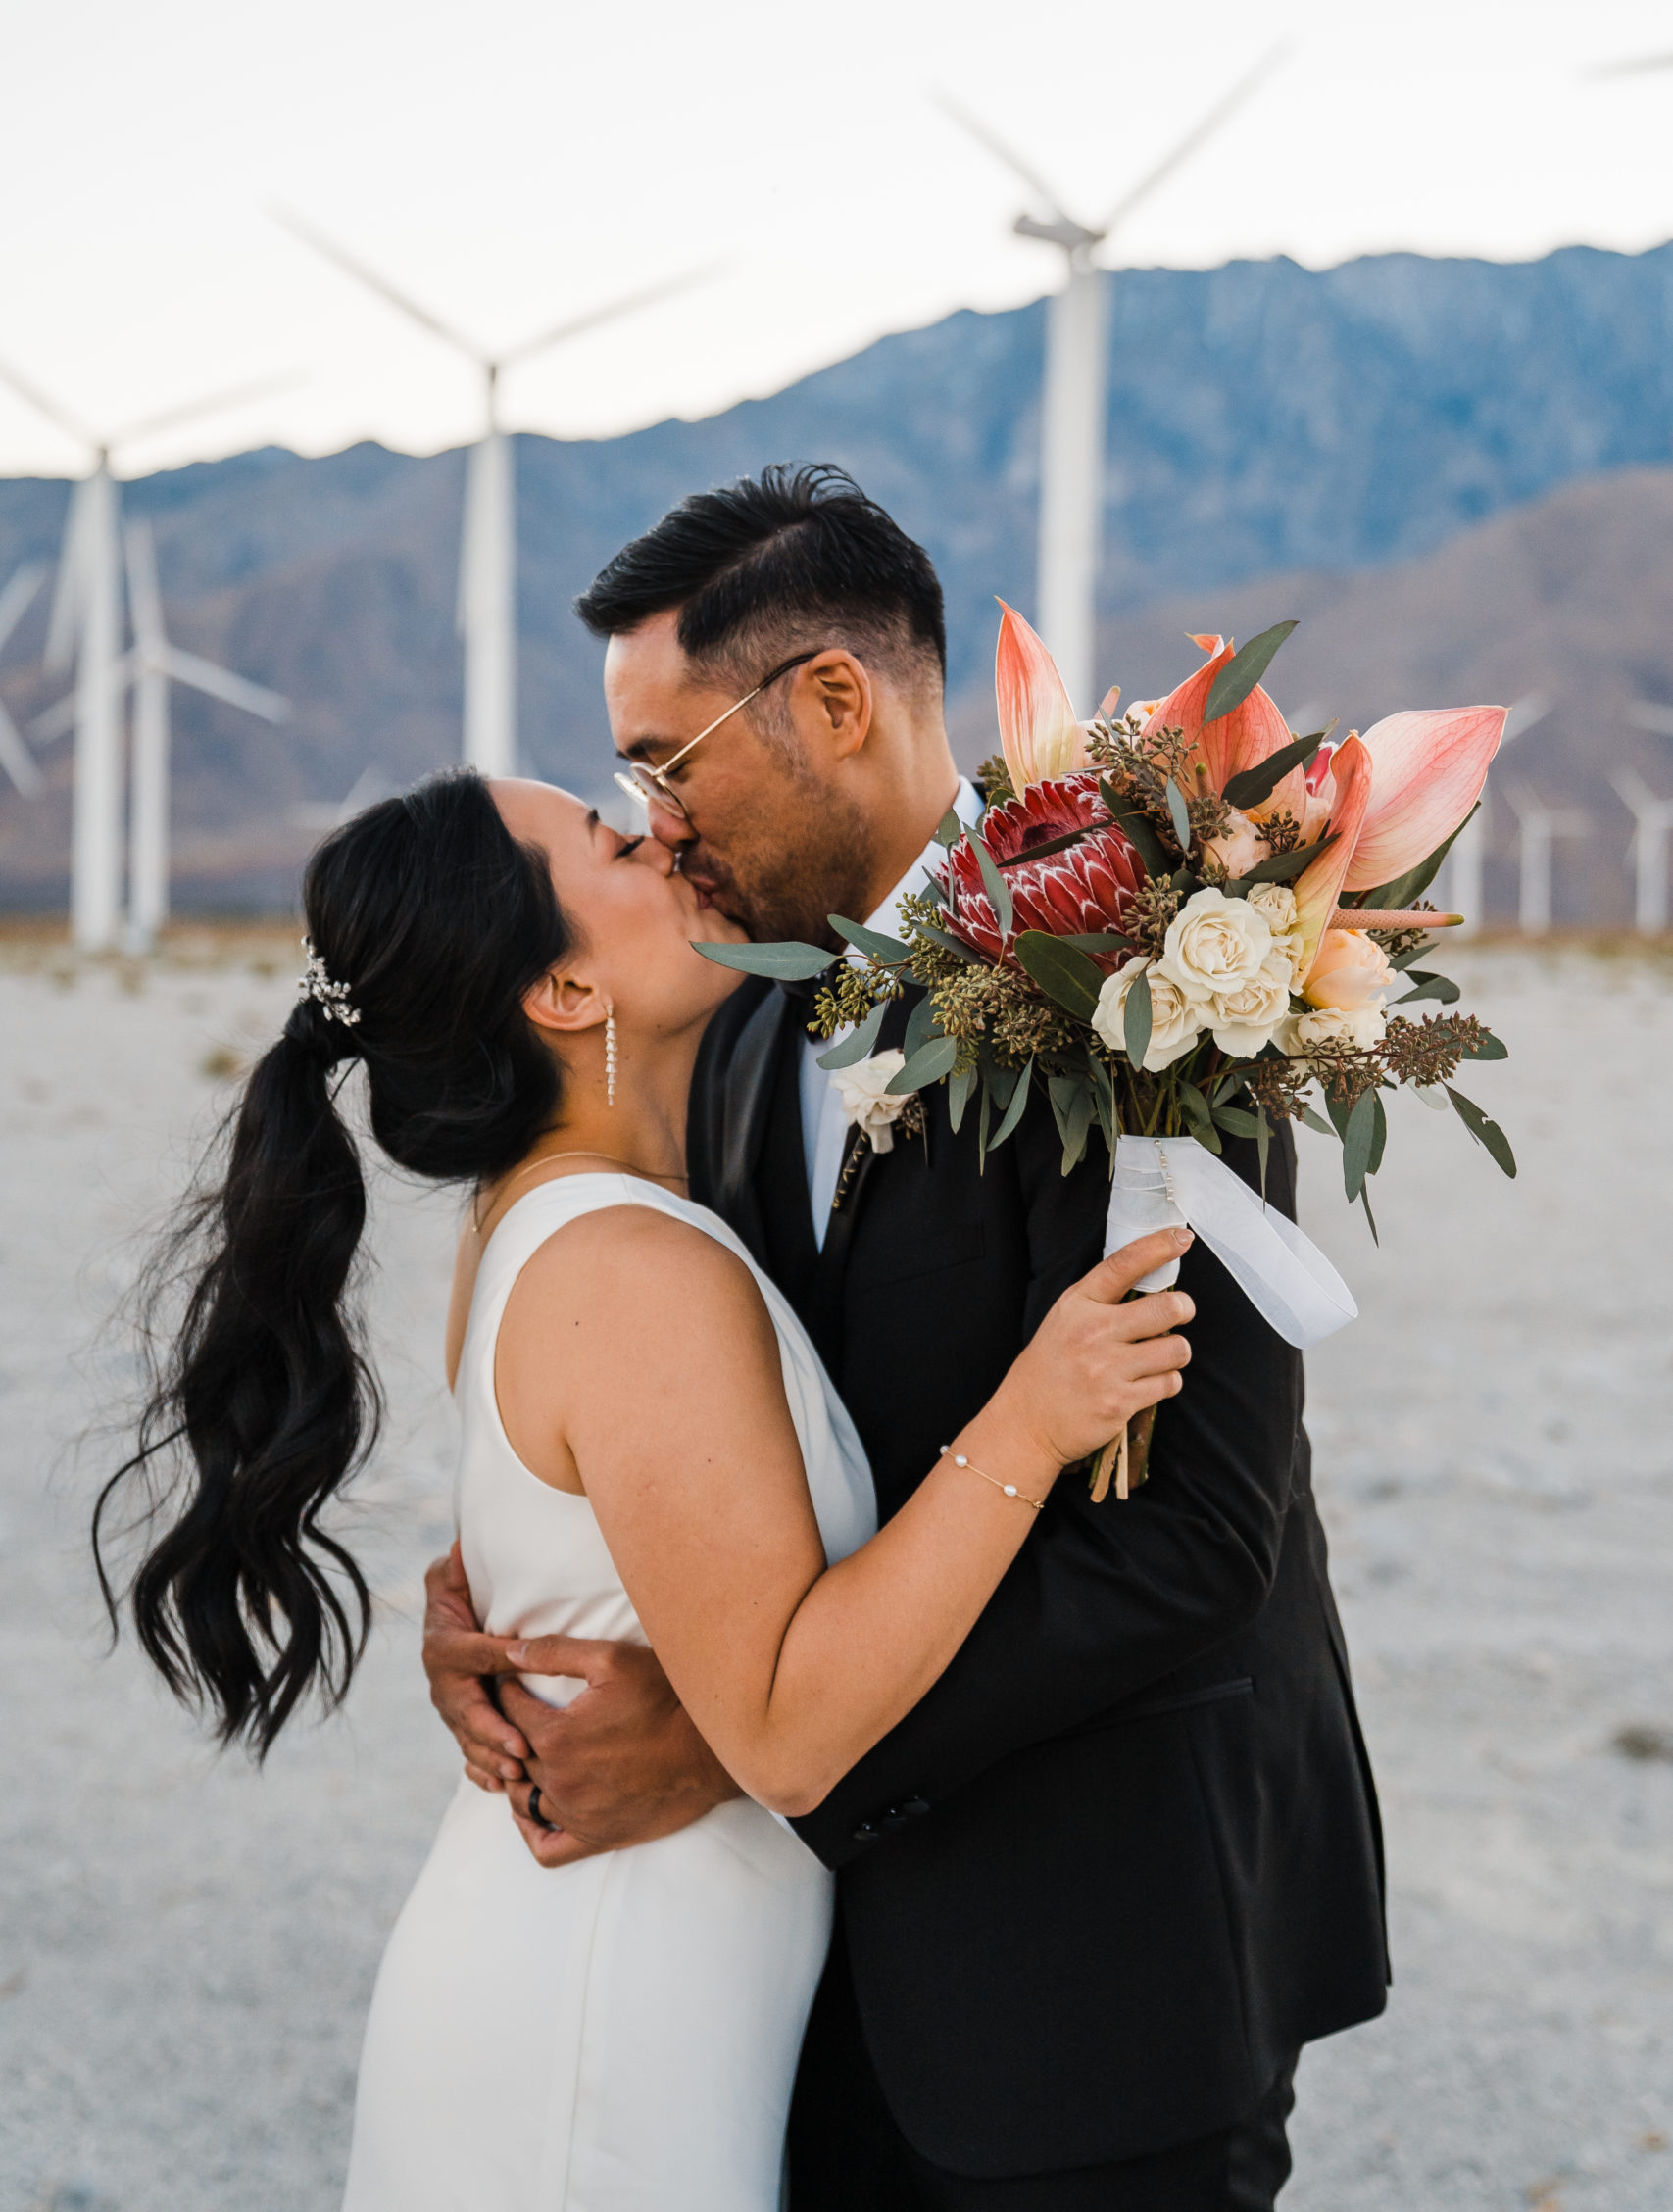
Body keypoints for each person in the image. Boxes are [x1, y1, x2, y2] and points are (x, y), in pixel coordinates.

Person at [424, 465, 1391, 2211]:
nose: (650, 819)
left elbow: (1193, 1539)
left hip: (1101, 1976)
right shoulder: (713, 1024)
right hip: (799, 1990)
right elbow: (703, 1420)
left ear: (834, 701)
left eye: (666, 757)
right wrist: (528, 1608)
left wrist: (738, 1737)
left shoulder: (1150, 972)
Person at [97, 764, 1193, 2211]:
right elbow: (791, 1740)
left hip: (613, 1965)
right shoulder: (629, 1270)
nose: (668, 829)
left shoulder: (545, 1221)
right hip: (602, 2016)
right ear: (561, 991)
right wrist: (1035, 1422)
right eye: (617, 839)